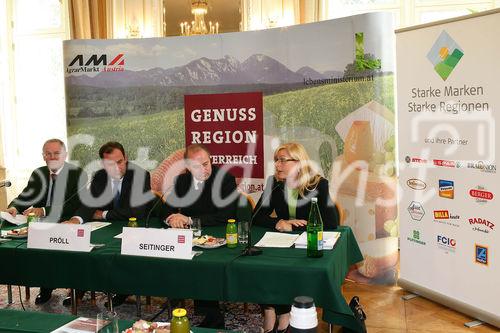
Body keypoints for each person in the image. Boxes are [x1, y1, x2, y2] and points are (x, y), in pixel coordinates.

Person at [253, 142, 340, 333]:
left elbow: (332, 223)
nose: (277, 165)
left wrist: (300, 224)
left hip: (305, 245)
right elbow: (256, 216)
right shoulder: (274, 183)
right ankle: (270, 311)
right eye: (276, 160)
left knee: (287, 271)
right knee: (260, 265)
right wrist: (278, 222)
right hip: (281, 242)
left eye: (283, 160)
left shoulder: (318, 184)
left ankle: (284, 315)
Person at [64, 141, 152, 306]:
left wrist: (104, 214)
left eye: (119, 162)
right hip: (107, 228)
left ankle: (123, 290)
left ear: (125, 158)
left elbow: (138, 211)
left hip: (132, 227)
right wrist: (76, 220)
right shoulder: (100, 176)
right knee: (85, 246)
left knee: (124, 252)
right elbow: (89, 203)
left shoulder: (140, 175)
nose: (117, 168)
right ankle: (80, 288)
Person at [159, 144, 237, 329]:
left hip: (217, 237)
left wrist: (188, 219)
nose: (203, 169)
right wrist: (172, 218)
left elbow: (226, 215)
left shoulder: (225, 179)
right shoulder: (181, 181)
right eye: (196, 166)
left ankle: (213, 315)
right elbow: (164, 209)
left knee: (204, 265)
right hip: (190, 238)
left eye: (206, 163)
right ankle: (177, 295)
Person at [3, 138, 87, 305]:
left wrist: (44, 210)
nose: (52, 157)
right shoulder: (39, 173)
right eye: (48, 154)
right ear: (44, 157)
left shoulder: (77, 174)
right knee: (39, 252)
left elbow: (72, 205)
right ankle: (46, 286)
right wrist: (14, 208)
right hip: (42, 225)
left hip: (66, 223)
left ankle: (77, 289)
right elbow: (27, 196)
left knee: (70, 255)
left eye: (56, 153)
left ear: (65, 155)